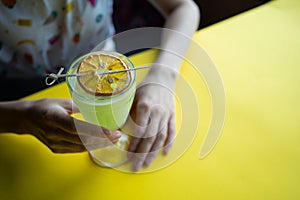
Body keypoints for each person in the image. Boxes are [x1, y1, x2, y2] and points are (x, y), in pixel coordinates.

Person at [0, 0, 200, 171]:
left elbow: (184, 7)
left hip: (110, 71)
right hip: (18, 91)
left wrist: (163, 74)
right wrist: (20, 117)